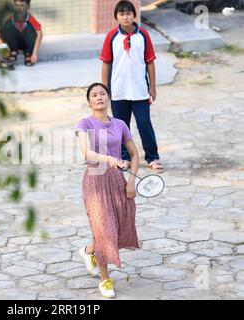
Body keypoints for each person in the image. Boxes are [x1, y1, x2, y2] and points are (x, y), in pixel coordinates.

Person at [76, 82, 140, 299]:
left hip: (117, 181)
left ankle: (88, 251)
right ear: (89, 101)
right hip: (94, 181)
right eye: (94, 95)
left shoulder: (120, 124)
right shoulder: (84, 123)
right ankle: (105, 280)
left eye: (102, 93)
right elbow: (88, 154)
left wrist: (131, 181)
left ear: (108, 98)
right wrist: (110, 159)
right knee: (103, 228)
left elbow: (134, 155)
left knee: (116, 228)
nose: (99, 97)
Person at [101, 0, 164, 173]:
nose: (125, 17)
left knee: (144, 124)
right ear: (117, 17)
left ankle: (152, 157)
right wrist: (104, 89)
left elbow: (150, 62)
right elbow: (106, 63)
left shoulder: (143, 36)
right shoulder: (112, 37)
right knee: (121, 126)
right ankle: (124, 157)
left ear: (133, 15)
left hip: (140, 91)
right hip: (118, 91)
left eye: (128, 13)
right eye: (121, 14)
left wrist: (153, 87)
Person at [0, 0, 43, 66]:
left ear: (28, 7)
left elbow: (40, 35)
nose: (19, 8)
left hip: (27, 43)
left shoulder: (30, 18)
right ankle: (13, 51)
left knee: (33, 29)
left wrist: (35, 53)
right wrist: (5, 50)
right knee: (6, 27)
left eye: (22, 5)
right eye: (17, 5)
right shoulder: (11, 18)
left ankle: (28, 53)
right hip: (15, 44)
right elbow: (1, 34)